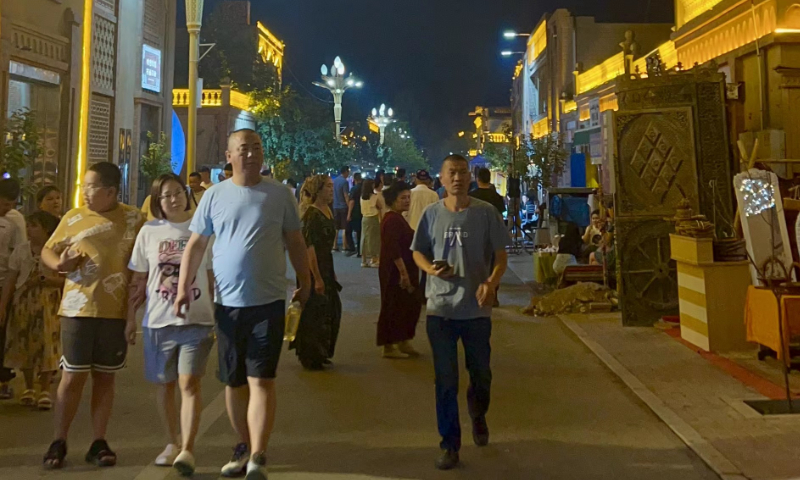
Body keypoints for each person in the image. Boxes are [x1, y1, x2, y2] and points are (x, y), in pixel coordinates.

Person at [174, 129, 311, 480]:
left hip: (268, 302)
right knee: (233, 383)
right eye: (243, 149)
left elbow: (295, 242)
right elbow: (196, 245)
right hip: (227, 304)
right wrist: (183, 286)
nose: (251, 154)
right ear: (229, 154)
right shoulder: (214, 196)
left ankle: (258, 455)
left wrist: (306, 280)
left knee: (261, 379)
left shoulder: (281, 194)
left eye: (256, 148)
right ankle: (243, 444)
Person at [41, 162, 145, 469]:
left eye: (91, 187)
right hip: (76, 308)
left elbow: (143, 260)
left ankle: (98, 441)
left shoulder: (134, 218)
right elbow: (49, 249)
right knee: (72, 376)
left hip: (113, 311)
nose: (85, 193)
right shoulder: (73, 217)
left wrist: (132, 314)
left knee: (104, 377)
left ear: (111, 191)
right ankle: (59, 440)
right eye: (83, 187)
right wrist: (60, 264)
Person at [411, 154, 510, 471]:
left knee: (481, 374)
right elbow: (418, 251)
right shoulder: (431, 214)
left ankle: (478, 412)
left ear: (469, 178)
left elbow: (500, 256)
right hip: (440, 309)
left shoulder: (486, 214)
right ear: (441, 179)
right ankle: (449, 445)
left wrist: (492, 283)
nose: (457, 177)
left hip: (477, 310)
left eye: (462, 172)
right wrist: (431, 270)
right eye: (451, 173)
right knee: (445, 380)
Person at [127, 173, 215, 476]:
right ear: (157, 200)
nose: (174, 198)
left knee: (189, 382)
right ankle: (171, 441)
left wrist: (217, 312)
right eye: (167, 195)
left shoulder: (202, 230)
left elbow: (213, 275)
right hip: (159, 321)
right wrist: (130, 319)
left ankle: (188, 449)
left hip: (197, 318)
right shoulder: (148, 232)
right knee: (165, 384)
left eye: (178, 192)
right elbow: (138, 280)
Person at [2, 211, 63, 411]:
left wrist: (46, 280)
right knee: (24, 342)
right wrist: (3, 305)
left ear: (46, 229)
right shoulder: (21, 251)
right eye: (28, 226)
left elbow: (67, 279)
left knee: (47, 344)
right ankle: (29, 387)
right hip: (23, 301)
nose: (29, 230)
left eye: (34, 226)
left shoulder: (56, 250)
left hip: (48, 301)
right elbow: (11, 280)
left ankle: (44, 388)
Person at [291, 175, 342, 370]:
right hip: (313, 266)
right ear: (318, 190)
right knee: (314, 312)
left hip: (326, 264)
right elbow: (309, 249)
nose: (331, 190)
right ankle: (310, 354)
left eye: (332, 186)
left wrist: (331, 271)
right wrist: (317, 278)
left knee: (329, 310)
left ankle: (322, 351)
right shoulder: (311, 215)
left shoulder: (327, 210)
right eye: (328, 187)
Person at [378, 183, 421, 359]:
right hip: (395, 270)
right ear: (393, 200)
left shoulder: (398, 218)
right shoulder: (392, 220)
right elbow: (393, 249)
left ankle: (403, 340)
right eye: (403, 198)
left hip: (404, 267)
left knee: (406, 305)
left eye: (408, 197)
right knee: (394, 305)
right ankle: (389, 344)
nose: (407, 201)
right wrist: (403, 274)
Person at [0, 179, 26, 400]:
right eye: (4, 204)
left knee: (2, 332)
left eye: (11, 204)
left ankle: (3, 379)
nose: (6, 209)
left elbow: (20, 253)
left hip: (3, 281)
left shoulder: (15, 220)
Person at [360, 178, 384, 268]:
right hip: (373, 218)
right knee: (374, 240)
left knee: (364, 239)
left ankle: (364, 260)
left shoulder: (362, 196)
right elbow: (380, 207)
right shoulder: (374, 196)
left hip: (364, 218)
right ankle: (374, 259)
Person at [332, 166, 351, 252]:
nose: (349, 173)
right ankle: (344, 245)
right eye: (348, 171)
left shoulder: (334, 181)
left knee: (336, 227)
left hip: (335, 206)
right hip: (343, 206)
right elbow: (346, 195)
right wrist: (349, 205)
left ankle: (334, 245)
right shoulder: (344, 182)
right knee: (344, 227)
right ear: (345, 172)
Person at [346, 173, 363, 256]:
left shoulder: (354, 189)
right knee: (360, 232)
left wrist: (349, 214)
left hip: (354, 212)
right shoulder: (364, 188)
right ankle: (360, 250)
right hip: (362, 212)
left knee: (348, 231)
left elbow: (351, 201)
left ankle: (352, 247)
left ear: (354, 179)